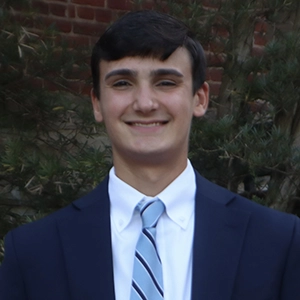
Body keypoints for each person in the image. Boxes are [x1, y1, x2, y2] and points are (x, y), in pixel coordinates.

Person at [0, 10, 299, 300]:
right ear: (96, 103)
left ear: (200, 98)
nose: (144, 103)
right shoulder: (33, 252)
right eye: (122, 83)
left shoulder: (277, 243)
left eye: (166, 82)